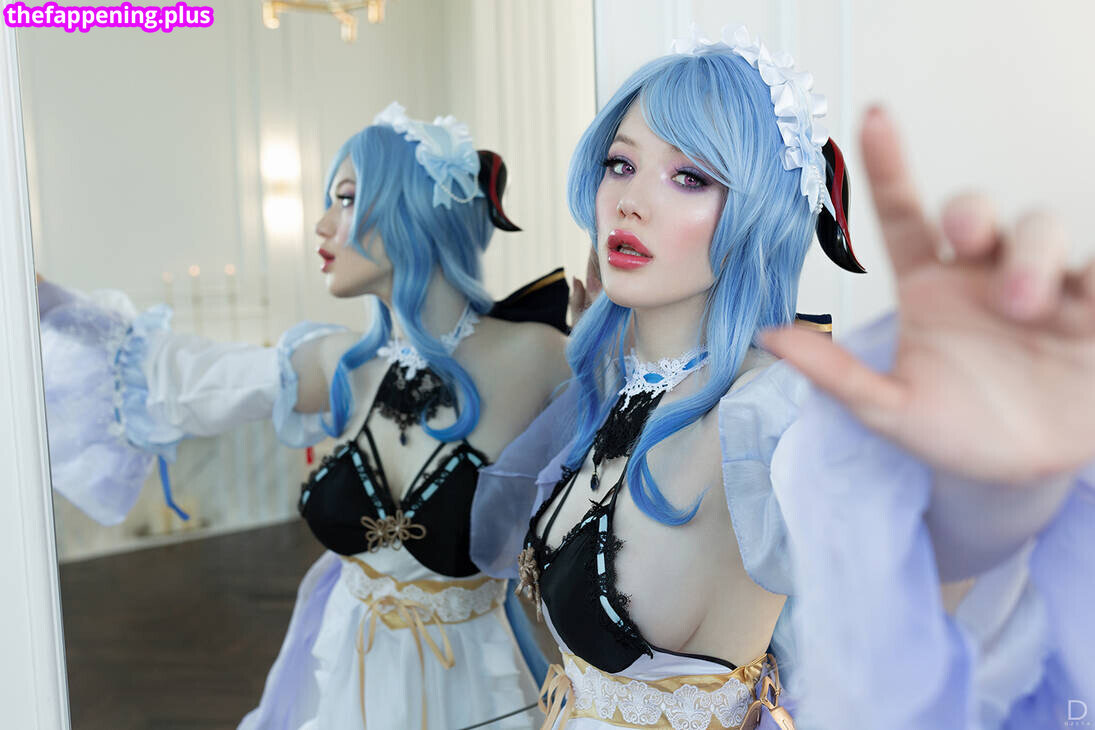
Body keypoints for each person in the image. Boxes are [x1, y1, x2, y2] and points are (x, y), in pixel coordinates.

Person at [476, 26, 1094, 729]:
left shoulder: (766, 413)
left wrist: (991, 491)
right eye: (620, 164)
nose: (629, 201)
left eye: (689, 177)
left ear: (759, 214)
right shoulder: (623, 386)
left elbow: (910, 586)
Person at [38, 102, 571, 729]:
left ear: (411, 209)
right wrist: (39, 297)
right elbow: (179, 371)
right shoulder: (340, 363)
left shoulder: (538, 356)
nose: (321, 225)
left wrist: (605, 339)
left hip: (477, 689)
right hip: (347, 681)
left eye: (346, 198)